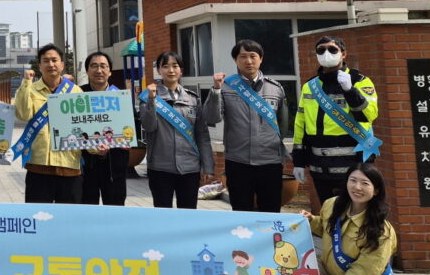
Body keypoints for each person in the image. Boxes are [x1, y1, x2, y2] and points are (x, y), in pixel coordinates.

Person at [300, 162, 398, 275]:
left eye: (365, 183)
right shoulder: (332, 205)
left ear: (376, 190)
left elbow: (362, 274)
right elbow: (324, 228)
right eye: (353, 180)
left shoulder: (381, 230)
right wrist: (309, 221)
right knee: (294, 263)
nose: (357, 187)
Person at [292, 35, 378, 210]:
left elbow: (369, 115)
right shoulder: (310, 86)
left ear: (343, 54)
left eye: (332, 50)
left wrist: (350, 90)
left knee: (354, 214)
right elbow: (300, 123)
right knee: (329, 214)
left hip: (352, 164)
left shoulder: (360, 81)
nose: (326, 54)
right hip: (319, 166)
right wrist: (298, 161)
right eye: (321, 50)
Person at [205, 39, 291, 212]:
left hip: (270, 162)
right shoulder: (226, 87)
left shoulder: (275, 88)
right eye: (243, 56)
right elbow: (212, 117)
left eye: (253, 56)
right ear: (236, 60)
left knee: (271, 209)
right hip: (238, 161)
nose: (248, 61)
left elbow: (283, 124)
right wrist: (215, 90)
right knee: (241, 210)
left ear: (261, 59)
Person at [139, 50, 215, 209]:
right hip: (160, 167)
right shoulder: (148, 97)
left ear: (181, 70)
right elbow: (148, 126)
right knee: (163, 212)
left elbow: (202, 135)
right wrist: (152, 100)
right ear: (159, 70)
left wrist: (207, 166)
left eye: (175, 66)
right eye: (165, 66)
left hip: (189, 167)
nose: (171, 70)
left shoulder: (193, 98)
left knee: (188, 213)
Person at [15, 44, 83, 204]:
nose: (51, 64)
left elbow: (84, 126)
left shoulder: (76, 92)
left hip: (69, 167)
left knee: (69, 222)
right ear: (39, 66)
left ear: (62, 65)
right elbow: (23, 114)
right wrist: (26, 82)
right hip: (38, 168)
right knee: (38, 220)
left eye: (54, 60)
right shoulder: (29, 89)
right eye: (46, 61)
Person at [79, 52, 129, 206]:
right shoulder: (77, 95)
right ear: (87, 71)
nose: (99, 70)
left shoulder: (121, 97)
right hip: (86, 168)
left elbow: (130, 131)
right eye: (94, 66)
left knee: (115, 215)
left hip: (115, 168)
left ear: (110, 71)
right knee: (87, 214)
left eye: (103, 66)